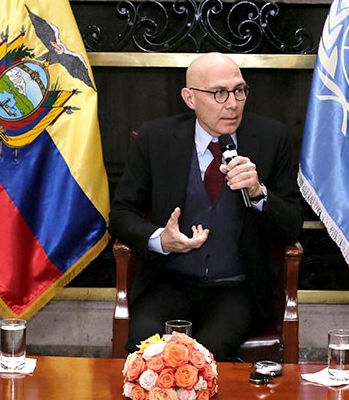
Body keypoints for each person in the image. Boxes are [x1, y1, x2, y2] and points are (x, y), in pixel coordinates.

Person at [110, 53, 304, 361]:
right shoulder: (156, 138)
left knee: (207, 356)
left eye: (239, 91)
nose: (232, 103)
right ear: (190, 98)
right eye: (219, 93)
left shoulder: (270, 138)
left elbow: (292, 224)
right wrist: (160, 239)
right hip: (170, 282)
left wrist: (258, 193)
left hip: (236, 289)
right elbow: (121, 215)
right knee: (146, 345)